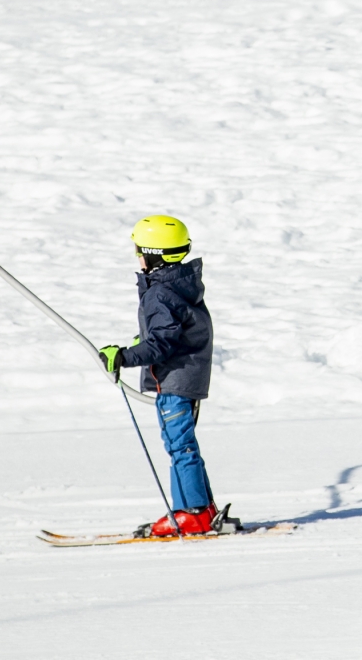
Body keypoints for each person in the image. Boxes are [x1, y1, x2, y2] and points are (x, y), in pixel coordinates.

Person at [100, 214, 228, 537]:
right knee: (184, 446)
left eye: (139, 251)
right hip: (188, 378)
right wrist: (140, 343)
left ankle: (193, 513)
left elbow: (162, 344)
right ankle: (203, 509)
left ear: (153, 256)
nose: (138, 259)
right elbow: (175, 332)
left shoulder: (159, 294)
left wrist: (125, 357)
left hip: (175, 382)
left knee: (179, 446)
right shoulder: (180, 285)